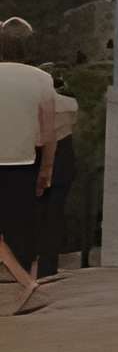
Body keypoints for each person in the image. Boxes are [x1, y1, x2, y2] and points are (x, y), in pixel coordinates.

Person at [0, 21, 58, 312]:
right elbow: (49, 132)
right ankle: (27, 282)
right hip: (23, 162)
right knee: (20, 227)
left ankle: (27, 285)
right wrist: (46, 169)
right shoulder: (42, 79)